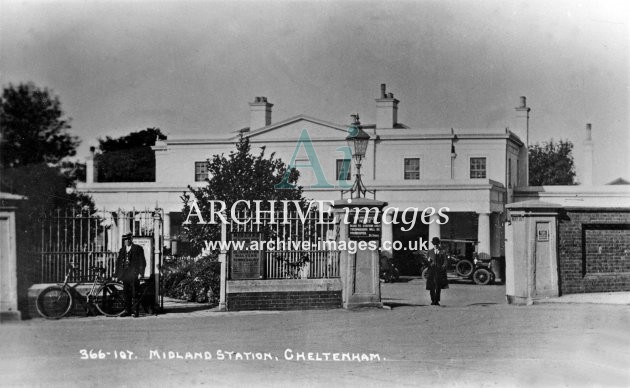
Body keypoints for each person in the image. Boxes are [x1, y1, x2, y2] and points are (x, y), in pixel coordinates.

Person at [114, 233, 146, 317]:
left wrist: (141, 273)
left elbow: (142, 261)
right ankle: (127, 310)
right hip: (125, 274)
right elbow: (118, 263)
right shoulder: (122, 250)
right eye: (125, 240)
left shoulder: (138, 248)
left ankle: (135, 311)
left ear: (131, 239)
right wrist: (116, 275)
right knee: (126, 293)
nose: (126, 241)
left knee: (135, 293)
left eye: (128, 239)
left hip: (134, 274)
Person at [425, 237, 449, 306]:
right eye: (434, 244)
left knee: (438, 286)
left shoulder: (442, 251)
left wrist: (443, 267)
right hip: (431, 270)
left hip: (439, 270)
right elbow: (426, 261)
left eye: (437, 244)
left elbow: (445, 261)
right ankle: (433, 300)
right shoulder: (430, 251)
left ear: (438, 244)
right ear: (433, 244)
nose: (436, 245)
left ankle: (437, 300)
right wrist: (428, 261)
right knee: (431, 286)